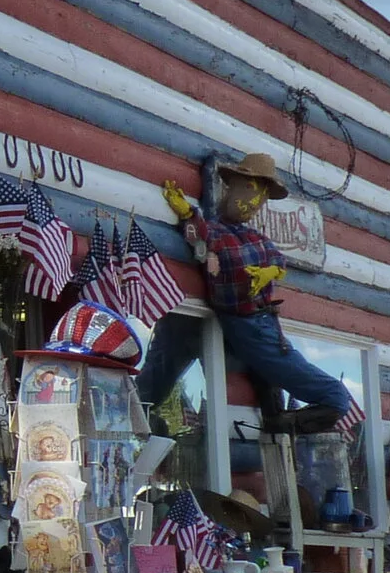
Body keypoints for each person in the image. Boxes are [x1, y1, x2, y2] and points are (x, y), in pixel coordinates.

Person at [135, 152, 358, 434]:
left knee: (299, 382)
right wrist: (187, 213)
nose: (253, 203)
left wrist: (270, 272)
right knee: (335, 396)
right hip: (247, 323)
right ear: (232, 187)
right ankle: (277, 421)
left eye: (261, 198)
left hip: (264, 323)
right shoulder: (215, 233)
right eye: (250, 190)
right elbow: (199, 236)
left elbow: (279, 261)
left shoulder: (254, 237)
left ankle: (277, 418)